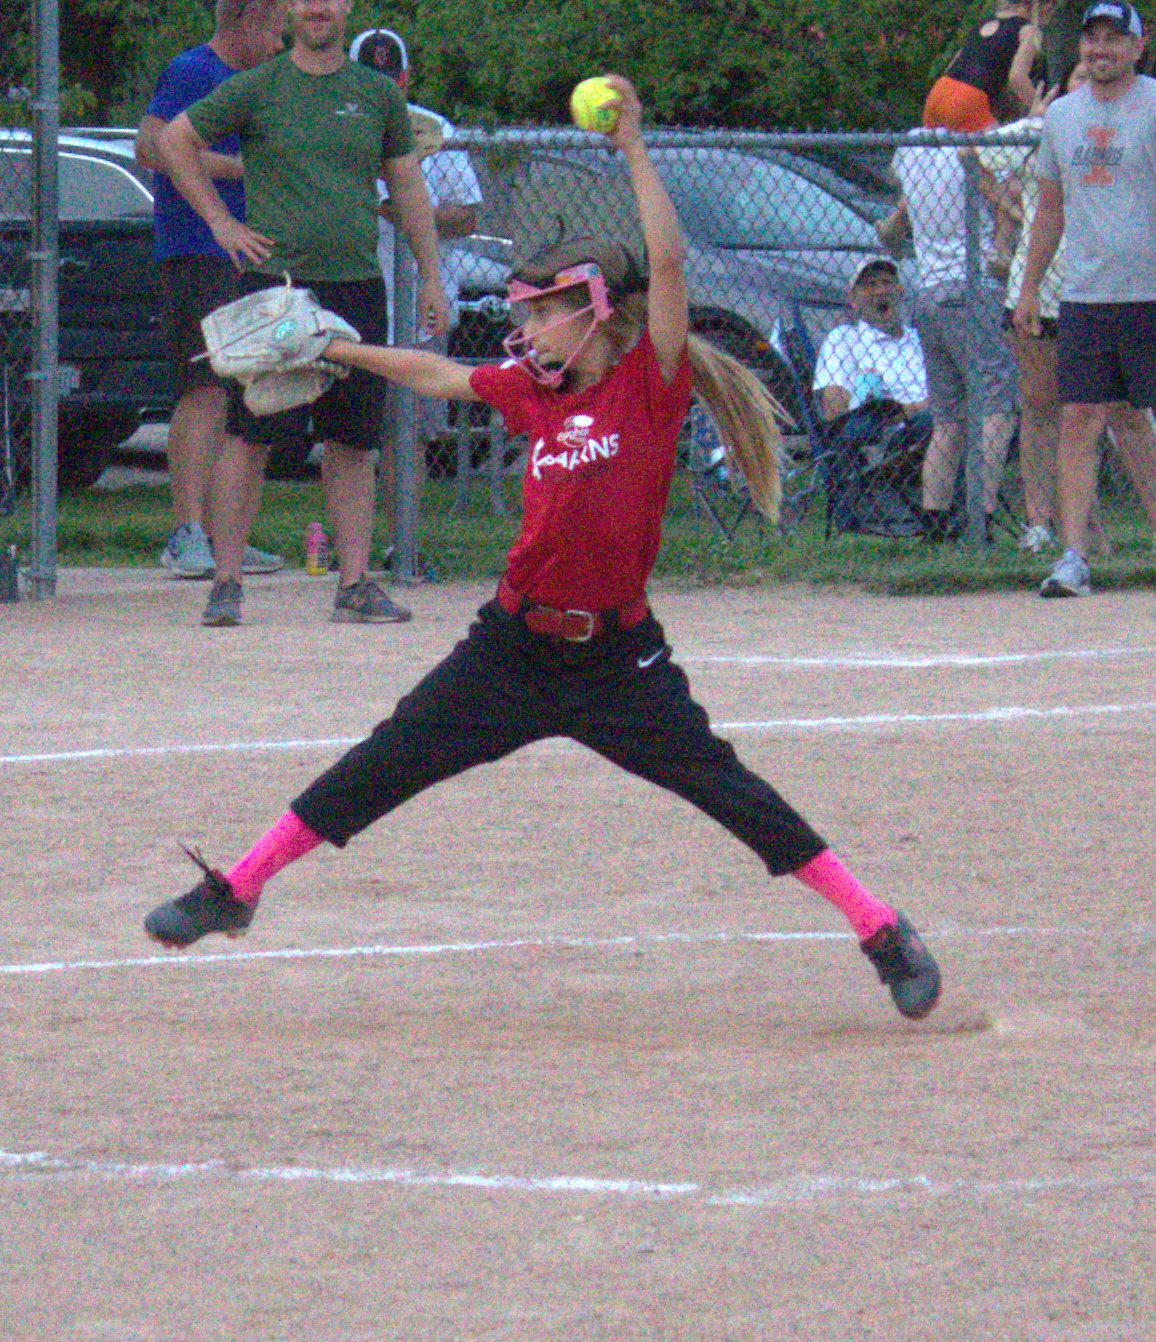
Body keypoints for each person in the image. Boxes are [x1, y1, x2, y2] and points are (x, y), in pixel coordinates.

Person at [142, 77, 942, 1020]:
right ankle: (237, 888)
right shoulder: (535, 390)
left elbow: (669, 263)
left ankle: (880, 928)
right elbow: (438, 374)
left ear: (592, 312)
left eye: (538, 313)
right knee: (383, 763)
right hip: (513, 647)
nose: (522, 330)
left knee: (732, 793)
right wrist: (337, 349)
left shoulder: (648, 382)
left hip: (617, 658)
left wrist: (632, 146)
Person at [150, 0, 447, 628]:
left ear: (347, 5)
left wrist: (430, 275)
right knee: (251, 433)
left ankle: (354, 583)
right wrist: (221, 222)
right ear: (289, 9)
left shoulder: (376, 94)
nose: (316, 8)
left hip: (355, 284)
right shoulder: (260, 86)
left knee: (353, 441)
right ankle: (226, 582)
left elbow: (406, 185)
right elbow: (174, 141)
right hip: (278, 287)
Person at [1013, 0, 1156, 596]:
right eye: (1092, 39)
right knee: (1078, 418)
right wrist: (1029, 287)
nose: (1100, 49)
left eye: (1113, 39)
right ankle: (1074, 558)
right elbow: (1050, 207)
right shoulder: (1063, 116)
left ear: (1137, 46)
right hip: (1086, 295)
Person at [132, 0, 291, 583]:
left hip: (249, 252)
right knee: (204, 388)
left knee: (244, 392)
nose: (278, 43)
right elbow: (152, 147)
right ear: (245, 21)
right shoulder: (195, 70)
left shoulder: (260, 83)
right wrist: (242, 168)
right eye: (273, 29)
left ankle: (228, 535)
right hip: (198, 249)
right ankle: (187, 532)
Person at [891, 130, 1019, 541]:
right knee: (997, 405)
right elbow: (1008, 208)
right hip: (973, 288)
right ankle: (978, 517)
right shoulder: (979, 148)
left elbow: (898, 215)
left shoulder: (914, 147)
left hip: (929, 292)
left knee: (948, 418)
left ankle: (934, 520)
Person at [350, 26, 491, 309]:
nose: (382, 93)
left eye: (391, 82)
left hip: (424, 303)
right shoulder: (334, 131)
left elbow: (466, 219)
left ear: (406, 78)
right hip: (357, 302)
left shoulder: (435, 130)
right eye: (371, 83)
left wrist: (410, 212)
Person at [812, 256, 934, 532]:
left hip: (939, 422)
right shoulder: (844, 338)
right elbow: (834, 411)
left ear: (901, 291)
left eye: (887, 283)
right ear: (852, 300)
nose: (880, 291)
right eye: (869, 285)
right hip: (886, 439)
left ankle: (957, 516)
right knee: (936, 423)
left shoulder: (920, 339)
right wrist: (909, 409)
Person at [921, 0, 1064, 134]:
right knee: (1006, 146)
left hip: (939, 92)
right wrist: (1042, 109)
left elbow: (954, 63)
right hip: (968, 100)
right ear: (1047, 6)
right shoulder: (1029, 31)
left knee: (945, 149)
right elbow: (1017, 78)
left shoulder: (984, 22)